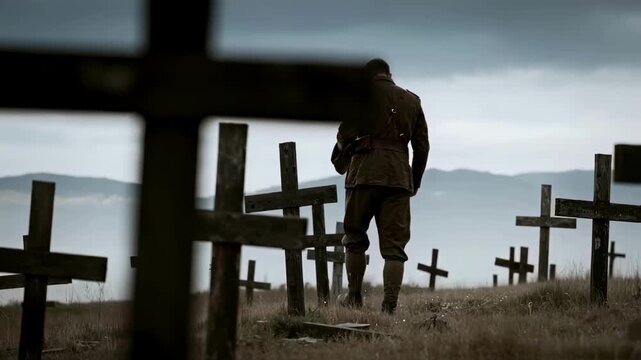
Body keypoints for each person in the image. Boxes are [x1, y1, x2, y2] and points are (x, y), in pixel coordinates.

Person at [333, 58, 429, 314]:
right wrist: (413, 182)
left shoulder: (360, 97)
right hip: (398, 180)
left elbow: (344, 135)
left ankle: (354, 297)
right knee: (394, 248)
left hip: (362, 175)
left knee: (354, 238)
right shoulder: (412, 101)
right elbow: (422, 148)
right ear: (388, 74)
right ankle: (389, 306)